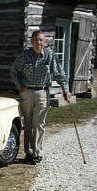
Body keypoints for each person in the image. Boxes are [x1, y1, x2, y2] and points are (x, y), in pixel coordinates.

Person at [10, 30, 72, 164]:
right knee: (27, 123)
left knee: (39, 124)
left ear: (44, 42)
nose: (39, 43)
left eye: (41, 40)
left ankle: (37, 152)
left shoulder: (49, 55)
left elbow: (59, 73)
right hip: (27, 92)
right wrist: (19, 86)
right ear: (31, 42)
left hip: (43, 92)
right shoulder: (25, 56)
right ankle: (29, 152)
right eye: (36, 40)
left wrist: (66, 90)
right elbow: (14, 71)